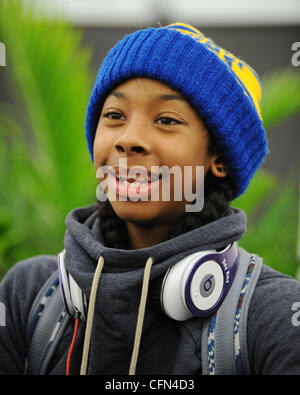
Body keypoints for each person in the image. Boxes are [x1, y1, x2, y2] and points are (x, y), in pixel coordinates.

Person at [0, 22, 300, 375]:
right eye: (114, 115)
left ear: (218, 159)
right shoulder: (28, 296)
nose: (128, 140)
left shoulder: (277, 315)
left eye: (166, 120)